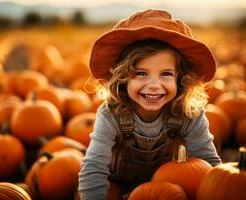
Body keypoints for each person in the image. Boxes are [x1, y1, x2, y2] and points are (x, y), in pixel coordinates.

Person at [78, 9, 221, 200]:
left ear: (180, 79)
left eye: (165, 74)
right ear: (122, 77)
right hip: (116, 189)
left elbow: (208, 164)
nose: (154, 86)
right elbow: (94, 167)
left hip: (167, 192)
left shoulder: (189, 113)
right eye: (141, 73)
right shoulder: (110, 114)